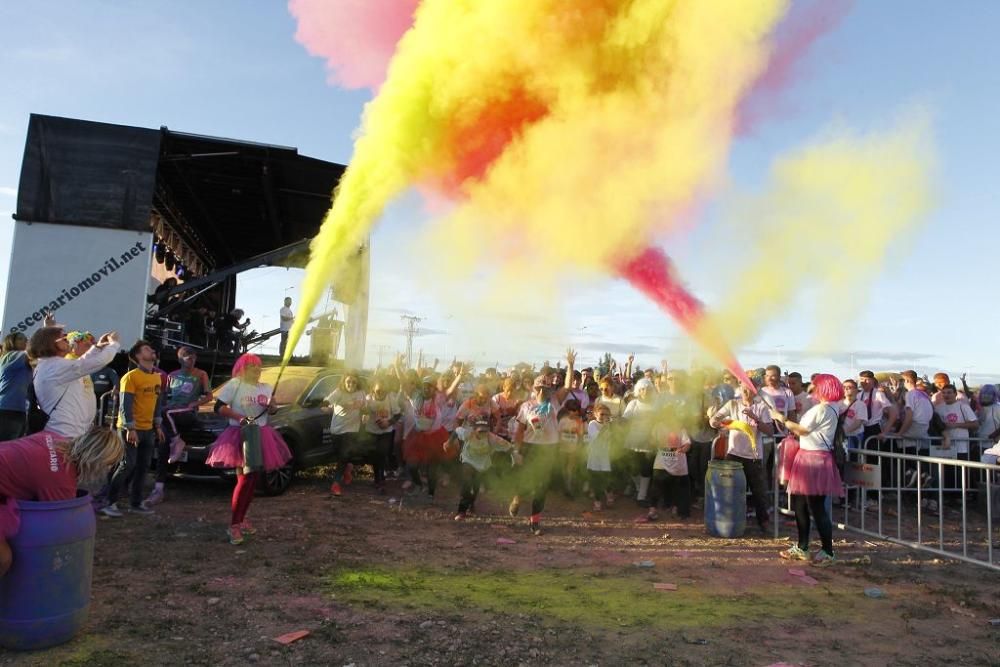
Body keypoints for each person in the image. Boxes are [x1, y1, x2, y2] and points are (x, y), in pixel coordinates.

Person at [0, 427, 123, 577]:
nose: (108, 469)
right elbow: (58, 533)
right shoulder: (61, 480)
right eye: (109, 464)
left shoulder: (55, 437)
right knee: (3, 559)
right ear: (97, 460)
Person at [205, 353, 292, 545]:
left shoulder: (266, 388)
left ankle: (242, 519)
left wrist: (273, 407)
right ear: (243, 368)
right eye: (252, 366)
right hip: (241, 434)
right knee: (245, 479)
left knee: (252, 480)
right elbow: (218, 407)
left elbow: (273, 410)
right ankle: (234, 525)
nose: (257, 370)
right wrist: (239, 418)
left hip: (260, 434)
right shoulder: (235, 384)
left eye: (258, 366)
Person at [769, 374, 844, 567]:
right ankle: (803, 547)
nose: (812, 389)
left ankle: (827, 551)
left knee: (816, 508)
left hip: (812, 459)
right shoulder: (834, 407)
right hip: (813, 457)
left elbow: (802, 430)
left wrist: (781, 418)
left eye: (815, 386)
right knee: (801, 504)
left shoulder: (823, 409)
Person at [99, 341, 165, 518]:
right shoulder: (130, 377)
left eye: (151, 348)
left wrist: (157, 425)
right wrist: (130, 428)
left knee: (143, 467)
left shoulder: (156, 377)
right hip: (131, 429)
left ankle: (136, 503)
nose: (151, 350)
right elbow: (125, 405)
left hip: (148, 429)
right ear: (137, 356)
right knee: (127, 465)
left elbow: (157, 403)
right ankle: (109, 502)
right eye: (146, 349)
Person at [147, 346, 212, 506]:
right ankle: (159, 488)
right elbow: (165, 396)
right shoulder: (172, 376)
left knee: (164, 413)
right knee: (163, 447)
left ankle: (177, 440)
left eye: (194, 358)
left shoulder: (200, 374)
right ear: (180, 359)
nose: (191, 360)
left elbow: (209, 395)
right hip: (171, 415)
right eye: (188, 357)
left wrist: (196, 402)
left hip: (187, 413)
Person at [29, 326, 121, 438]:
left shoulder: (52, 365)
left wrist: (97, 348)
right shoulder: (55, 366)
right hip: (64, 433)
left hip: (68, 432)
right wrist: (114, 344)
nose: (68, 340)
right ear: (50, 342)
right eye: (64, 338)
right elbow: (98, 361)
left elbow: (82, 362)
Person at [709, 382, 775, 534]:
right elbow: (714, 421)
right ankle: (729, 521)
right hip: (733, 454)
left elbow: (770, 431)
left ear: (755, 391)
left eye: (749, 388)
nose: (745, 391)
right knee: (729, 490)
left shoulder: (761, 407)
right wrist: (717, 421)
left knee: (759, 492)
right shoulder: (732, 404)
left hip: (754, 456)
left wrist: (756, 419)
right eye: (743, 388)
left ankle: (763, 523)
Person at [449, 418, 517, 520]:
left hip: (483, 466)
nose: (482, 434)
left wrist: (516, 456)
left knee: (475, 486)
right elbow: (456, 431)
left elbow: (508, 447)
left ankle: (471, 504)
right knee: (467, 483)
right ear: (474, 429)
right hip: (468, 461)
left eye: (485, 431)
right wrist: (448, 442)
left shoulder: (492, 438)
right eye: (480, 431)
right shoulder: (467, 434)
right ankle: (461, 511)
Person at [324, 372, 366, 497]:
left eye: (354, 382)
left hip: (352, 429)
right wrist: (324, 405)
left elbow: (365, 406)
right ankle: (347, 469)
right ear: (344, 382)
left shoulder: (361, 393)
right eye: (349, 382)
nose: (351, 384)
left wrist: (365, 414)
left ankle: (336, 483)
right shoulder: (339, 392)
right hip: (337, 429)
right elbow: (328, 400)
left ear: (357, 383)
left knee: (344, 455)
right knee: (339, 454)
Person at [646, 413, 692, 521]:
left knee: (678, 486)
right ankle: (653, 510)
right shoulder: (659, 426)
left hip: (678, 462)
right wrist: (654, 442)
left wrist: (682, 449)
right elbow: (652, 440)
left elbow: (687, 444)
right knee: (656, 484)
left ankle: (676, 508)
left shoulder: (681, 429)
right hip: (661, 460)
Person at [622, 378, 659, 506]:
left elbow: (660, 421)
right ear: (638, 390)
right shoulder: (633, 403)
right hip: (633, 441)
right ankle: (639, 488)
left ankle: (641, 496)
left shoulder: (656, 404)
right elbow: (625, 420)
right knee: (632, 468)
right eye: (642, 389)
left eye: (648, 388)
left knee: (646, 469)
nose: (645, 391)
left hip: (650, 441)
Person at [364, 378, 399, 494]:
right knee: (374, 456)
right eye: (378, 391)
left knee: (382, 453)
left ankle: (381, 481)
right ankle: (377, 478)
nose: (381, 393)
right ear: (373, 390)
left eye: (383, 391)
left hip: (386, 431)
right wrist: (364, 415)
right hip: (372, 431)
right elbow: (363, 411)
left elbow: (398, 414)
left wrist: (388, 423)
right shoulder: (369, 399)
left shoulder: (390, 398)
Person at [0, 333, 32, 441]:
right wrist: (47, 328)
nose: (25, 340)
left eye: (25, 338)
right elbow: (35, 351)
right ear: (11, 342)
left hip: (19, 411)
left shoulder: (23, 361)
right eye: (20, 338)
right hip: (6, 410)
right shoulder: (11, 356)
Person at [586, 403, 615, 511]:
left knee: (606, 478)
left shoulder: (609, 426)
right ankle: (597, 501)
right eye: (602, 414)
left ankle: (609, 494)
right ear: (595, 414)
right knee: (596, 480)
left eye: (607, 415)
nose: (604, 417)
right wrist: (607, 426)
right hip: (594, 456)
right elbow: (598, 437)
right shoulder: (592, 424)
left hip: (605, 456)